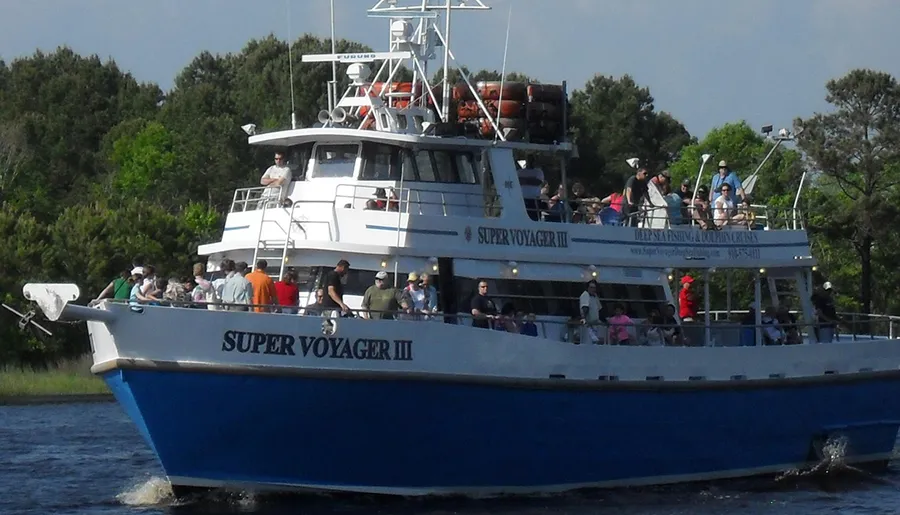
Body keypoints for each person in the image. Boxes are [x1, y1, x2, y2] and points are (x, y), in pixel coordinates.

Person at [518, 156, 545, 221]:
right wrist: (531, 180)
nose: (530, 162)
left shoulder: (539, 171)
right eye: (529, 160)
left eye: (532, 160)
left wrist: (525, 180)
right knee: (520, 219)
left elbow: (538, 182)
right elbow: (518, 181)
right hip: (522, 199)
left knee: (534, 219)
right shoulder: (520, 171)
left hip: (534, 200)